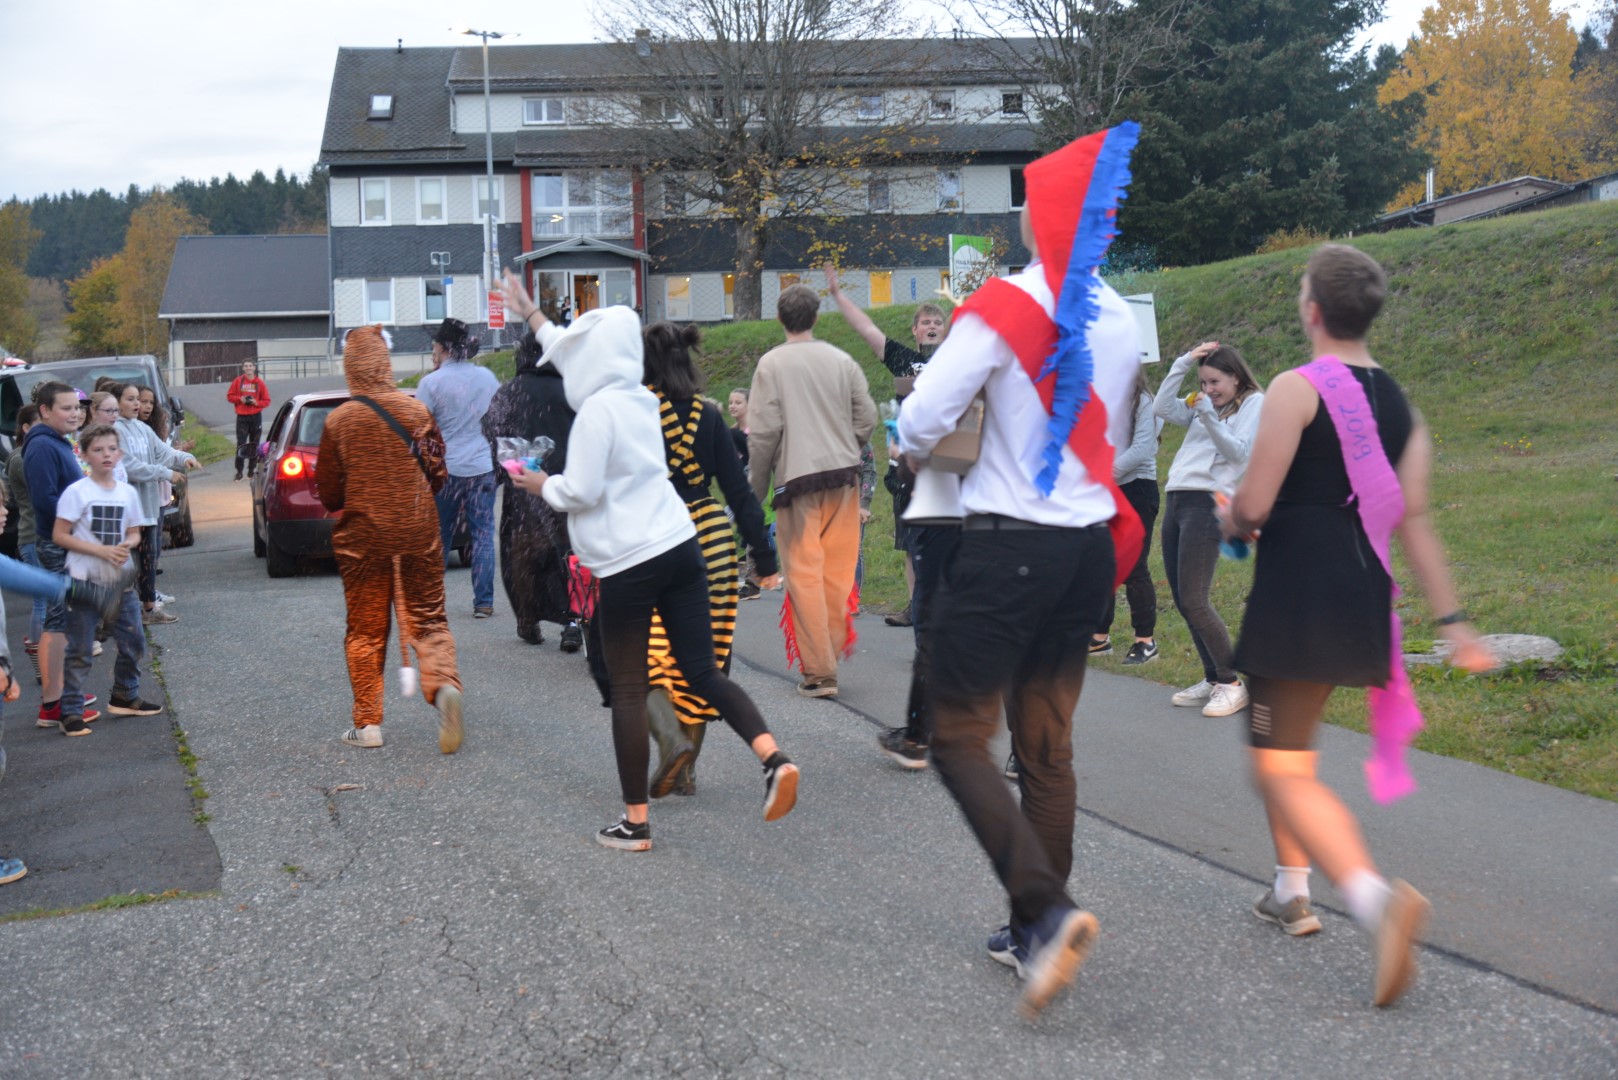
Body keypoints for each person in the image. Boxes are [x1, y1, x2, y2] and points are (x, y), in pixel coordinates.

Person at [899, 123, 1144, 1018]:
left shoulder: (1004, 304)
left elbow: (921, 420)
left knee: (959, 738)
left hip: (1009, 546)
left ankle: (1047, 913)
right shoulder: (1120, 315)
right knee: (1046, 747)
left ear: (1042, 217)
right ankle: (1030, 932)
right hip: (1086, 549)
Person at [1224, 243, 1496, 1007]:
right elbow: (1416, 521)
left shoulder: (1296, 388)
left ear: (1313, 310)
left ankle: (1377, 903)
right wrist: (1454, 623)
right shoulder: (1405, 407)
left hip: (1298, 596)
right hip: (1363, 596)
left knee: (1276, 766)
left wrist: (1232, 518)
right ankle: (1290, 887)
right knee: (1290, 752)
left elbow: (1254, 505)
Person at [498, 275, 798, 851]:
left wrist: (540, 484)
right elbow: (570, 348)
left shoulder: (597, 412)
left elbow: (580, 490)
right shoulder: (639, 397)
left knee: (630, 689)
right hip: (680, 545)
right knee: (704, 671)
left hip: (629, 561)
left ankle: (635, 822)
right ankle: (773, 758)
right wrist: (532, 312)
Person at [636, 321, 779, 799]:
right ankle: (687, 771)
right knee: (705, 656)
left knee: (643, 651)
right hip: (712, 537)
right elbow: (739, 493)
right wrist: (764, 556)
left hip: (657, 531)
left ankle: (670, 741)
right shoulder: (710, 416)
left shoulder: (637, 411)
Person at [317, 325, 464, 753]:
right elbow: (438, 472)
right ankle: (444, 688)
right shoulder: (416, 411)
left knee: (365, 630)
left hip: (364, 539)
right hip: (418, 533)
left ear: (351, 367)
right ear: (385, 364)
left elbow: (330, 493)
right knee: (429, 619)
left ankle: (368, 725)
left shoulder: (339, 420)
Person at [747, 284, 878, 698]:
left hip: (797, 483)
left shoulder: (771, 364)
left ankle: (820, 671)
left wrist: (755, 490)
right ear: (816, 317)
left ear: (780, 318)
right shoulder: (841, 360)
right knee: (837, 573)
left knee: (804, 575)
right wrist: (847, 444)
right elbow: (868, 416)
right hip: (843, 478)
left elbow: (763, 434)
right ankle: (832, 645)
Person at [825, 264, 949, 628]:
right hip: (907, 466)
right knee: (910, 543)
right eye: (925, 322)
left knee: (945, 541)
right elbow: (868, 330)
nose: (931, 326)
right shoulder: (902, 359)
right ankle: (915, 607)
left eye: (937, 323)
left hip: (945, 463)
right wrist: (839, 297)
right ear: (915, 330)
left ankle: (945, 608)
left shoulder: (956, 359)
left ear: (945, 331)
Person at [1153, 341, 1265, 717]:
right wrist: (1184, 362)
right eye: (1203, 383)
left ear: (1236, 377)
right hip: (1177, 499)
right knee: (1183, 598)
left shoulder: (1253, 403)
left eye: (1215, 382)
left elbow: (1239, 453)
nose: (1208, 390)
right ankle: (1214, 676)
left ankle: (1231, 684)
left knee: (1195, 599)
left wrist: (1207, 415)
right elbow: (1161, 407)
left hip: (1207, 503)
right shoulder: (1205, 406)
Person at [53, 424, 164, 736]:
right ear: (84, 454)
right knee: (80, 649)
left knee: (134, 641)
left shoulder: (127, 492)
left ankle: (125, 695)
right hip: (84, 581)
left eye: (112, 449)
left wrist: (126, 545)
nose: (106, 455)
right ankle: (70, 712)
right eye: (98, 450)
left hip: (120, 582)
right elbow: (59, 535)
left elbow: (134, 531)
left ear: (120, 453)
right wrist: (100, 551)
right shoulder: (77, 492)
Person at [481, 328, 582, 650]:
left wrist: (505, 470)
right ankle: (573, 620)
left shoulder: (511, 391)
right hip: (566, 486)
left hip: (523, 486)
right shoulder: (572, 389)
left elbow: (493, 430)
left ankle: (527, 619)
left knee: (522, 557)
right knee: (567, 553)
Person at [416, 317, 500, 619]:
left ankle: (433, 601)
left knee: (440, 534)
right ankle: (484, 602)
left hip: (446, 469)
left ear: (442, 348)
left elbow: (421, 429)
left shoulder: (431, 383)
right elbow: (498, 418)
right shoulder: (487, 378)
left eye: (435, 345)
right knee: (483, 534)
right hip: (481, 465)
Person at [1090, 365, 1163, 664]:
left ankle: (1145, 642)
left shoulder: (1144, 401)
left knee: (1133, 566)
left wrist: (1105, 472)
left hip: (1138, 489)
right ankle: (1099, 638)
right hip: (1108, 491)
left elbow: (1143, 448)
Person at [109, 382, 198, 626]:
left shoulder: (142, 428)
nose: (137, 404)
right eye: (130, 399)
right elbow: (129, 466)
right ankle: (130, 611)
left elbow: (163, 452)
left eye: (138, 399)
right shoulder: (115, 430)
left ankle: (148, 607)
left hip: (149, 506)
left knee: (150, 558)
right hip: (130, 511)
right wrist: (165, 473)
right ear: (116, 402)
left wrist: (184, 457)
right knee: (132, 563)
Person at [226, 359, 271, 481]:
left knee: (254, 444)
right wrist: (240, 399)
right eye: (246, 366)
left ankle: (251, 470)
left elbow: (267, 401)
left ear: (254, 368)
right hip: (242, 417)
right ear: (243, 368)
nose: (248, 368)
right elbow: (229, 396)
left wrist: (256, 402)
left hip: (256, 416)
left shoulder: (260, 383)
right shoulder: (238, 381)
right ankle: (239, 471)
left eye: (250, 366)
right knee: (241, 444)